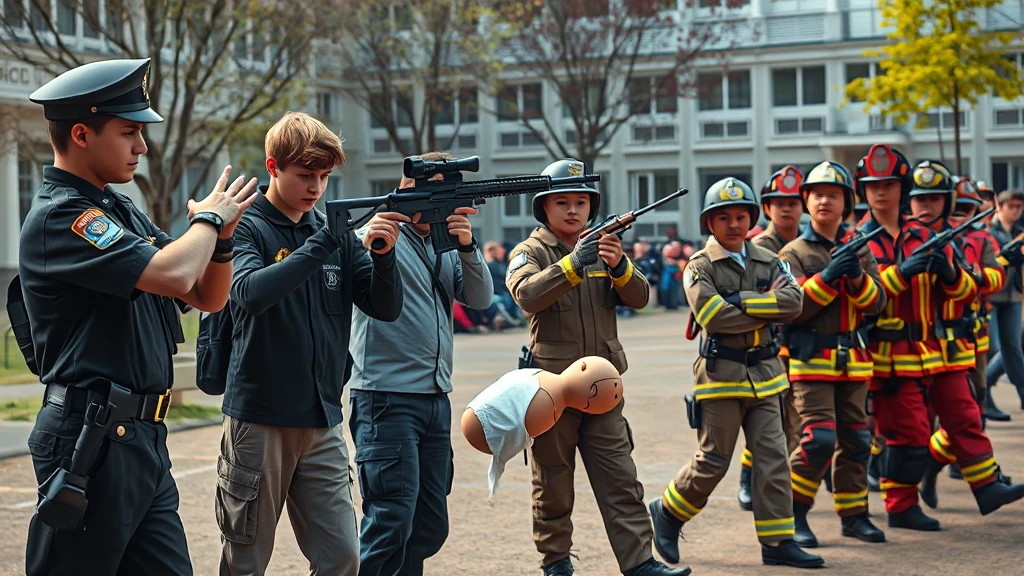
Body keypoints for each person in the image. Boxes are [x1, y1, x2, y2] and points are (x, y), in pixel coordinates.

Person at [17, 58, 258, 575]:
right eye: (129, 132)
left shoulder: (119, 210)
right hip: (90, 439)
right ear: (81, 134)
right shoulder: (64, 215)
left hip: (142, 437)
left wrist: (222, 239)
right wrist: (209, 218)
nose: (142, 147)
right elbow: (174, 273)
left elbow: (205, 295)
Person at [218, 112, 406, 575]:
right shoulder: (246, 226)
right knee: (245, 561)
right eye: (306, 175)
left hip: (322, 419)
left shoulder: (330, 231)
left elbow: (384, 308)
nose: (316, 187)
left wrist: (384, 257)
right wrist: (323, 242)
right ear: (273, 166)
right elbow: (248, 293)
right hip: (259, 420)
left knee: (342, 556)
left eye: (323, 176)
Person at [506, 159, 685, 576]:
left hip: (603, 390)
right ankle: (556, 562)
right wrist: (572, 264)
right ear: (544, 207)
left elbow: (640, 297)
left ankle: (640, 562)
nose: (573, 210)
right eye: (562, 202)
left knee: (620, 477)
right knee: (553, 482)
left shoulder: (605, 249)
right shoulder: (530, 252)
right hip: (552, 392)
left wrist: (620, 266)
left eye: (581, 202)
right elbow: (526, 295)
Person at [648, 178, 824, 569]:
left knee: (773, 459)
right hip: (720, 376)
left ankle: (777, 541)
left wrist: (741, 300)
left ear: (751, 219)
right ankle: (669, 512)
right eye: (723, 217)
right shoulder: (699, 265)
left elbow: (794, 304)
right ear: (709, 222)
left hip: (766, 374)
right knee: (714, 460)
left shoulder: (770, 259)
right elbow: (713, 316)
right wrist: (766, 304)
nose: (733, 224)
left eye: (741, 216)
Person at [347, 151, 493, 576]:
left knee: (428, 525)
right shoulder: (375, 235)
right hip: (385, 398)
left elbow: (480, 299)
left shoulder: (444, 244)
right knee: (390, 521)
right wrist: (378, 244)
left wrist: (468, 247)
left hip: (434, 398)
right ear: (406, 191)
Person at [778, 161, 887, 547]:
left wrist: (856, 276)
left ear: (846, 203)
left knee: (857, 439)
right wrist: (826, 277)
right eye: (818, 194)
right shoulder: (792, 252)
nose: (825, 201)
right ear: (806, 201)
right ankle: (793, 513)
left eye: (834, 195)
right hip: (810, 362)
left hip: (853, 361)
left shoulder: (861, 248)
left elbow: (877, 303)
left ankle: (854, 516)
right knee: (818, 440)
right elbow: (791, 308)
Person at [918, 176, 1012, 507]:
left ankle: (939, 469)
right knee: (918, 422)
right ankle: (908, 479)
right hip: (924, 343)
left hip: (970, 340)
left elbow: (996, 278)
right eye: (957, 209)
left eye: (968, 210)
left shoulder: (981, 239)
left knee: (972, 411)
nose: (962, 216)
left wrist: (968, 274)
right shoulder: (919, 238)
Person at [737, 165, 805, 512]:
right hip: (770, 345)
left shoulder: (808, 241)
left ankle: (778, 484)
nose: (786, 208)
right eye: (779, 202)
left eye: (793, 202)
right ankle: (749, 477)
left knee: (791, 421)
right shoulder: (758, 246)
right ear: (766, 207)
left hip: (805, 341)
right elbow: (755, 299)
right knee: (770, 418)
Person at [985, 188, 1024, 417]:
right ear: (1000, 206)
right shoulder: (988, 230)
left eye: (1019, 207)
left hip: (1013, 295)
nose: (1016, 211)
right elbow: (985, 260)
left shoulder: (1020, 232)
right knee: (995, 349)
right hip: (991, 295)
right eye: (1012, 206)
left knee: (1013, 349)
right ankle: (983, 391)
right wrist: (1004, 258)